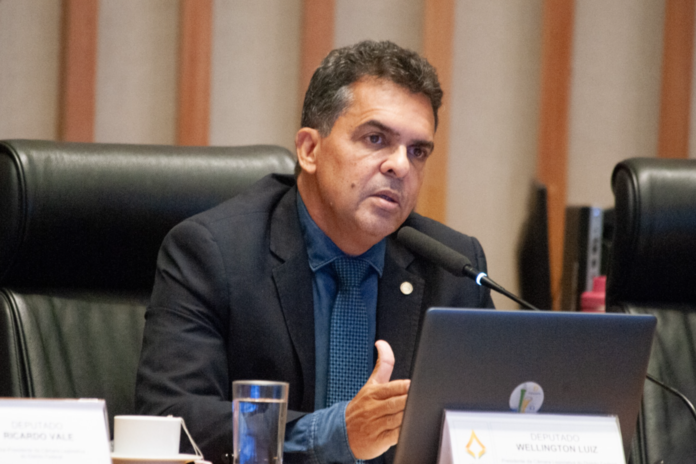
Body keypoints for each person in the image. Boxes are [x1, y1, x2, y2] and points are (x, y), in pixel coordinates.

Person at [135, 40, 494, 464]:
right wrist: (334, 434)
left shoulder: (453, 268)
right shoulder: (214, 253)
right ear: (309, 149)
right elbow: (170, 417)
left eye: (417, 151)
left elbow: (491, 421)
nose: (400, 165)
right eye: (376, 138)